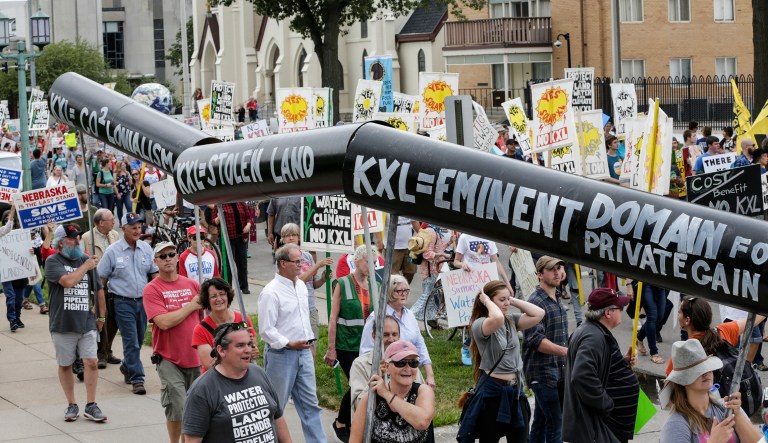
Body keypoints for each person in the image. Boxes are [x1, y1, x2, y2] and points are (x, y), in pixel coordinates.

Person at [457, 280, 545, 442]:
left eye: (507, 299)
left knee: (521, 438)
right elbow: (496, 318)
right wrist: (486, 301)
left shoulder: (511, 320)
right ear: (489, 301)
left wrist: (512, 300)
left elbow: (539, 314)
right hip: (492, 391)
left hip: (515, 390)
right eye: (502, 300)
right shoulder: (479, 324)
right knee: (489, 438)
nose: (506, 304)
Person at [258, 244, 326, 443]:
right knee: (275, 406)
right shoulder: (271, 292)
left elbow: (303, 320)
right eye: (297, 262)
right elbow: (266, 330)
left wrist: (308, 344)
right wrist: (288, 343)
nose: (301, 265)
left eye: (301, 261)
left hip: (304, 353)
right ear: (283, 263)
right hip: (281, 356)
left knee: (310, 404)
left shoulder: (301, 287)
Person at [182, 322, 293, 443]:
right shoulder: (202, 390)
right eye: (240, 346)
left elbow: (277, 418)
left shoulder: (259, 373)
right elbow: (193, 440)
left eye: (249, 344)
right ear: (221, 350)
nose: (248, 350)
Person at [143, 241, 205, 443]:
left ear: (178, 257)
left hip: (195, 356)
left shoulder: (193, 285)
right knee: (177, 408)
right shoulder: (152, 289)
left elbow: (203, 321)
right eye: (162, 256)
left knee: (196, 409)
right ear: (156, 262)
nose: (168, 259)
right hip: (169, 358)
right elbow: (163, 322)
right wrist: (190, 306)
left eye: (171, 254)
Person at [45, 224, 107, 422]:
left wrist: (101, 316)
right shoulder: (53, 261)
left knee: (91, 362)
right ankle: (72, 404)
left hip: (86, 321)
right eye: (73, 238)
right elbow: (68, 282)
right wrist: (86, 266)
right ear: (61, 242)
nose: (78, 240)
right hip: (63, 322)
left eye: (79, 236)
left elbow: (98, 289)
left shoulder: (85, 259)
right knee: (65, 364)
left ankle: (91, 404)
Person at [563, 288, 639, 443]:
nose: (622, 311)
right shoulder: (593, 337)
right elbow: (581, 376)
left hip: (599, 427)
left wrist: (621, 363)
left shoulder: (593, 331)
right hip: (595, 428)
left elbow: (597, 368)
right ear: (608, 313)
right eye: (620, 308)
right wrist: (607, 405)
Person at [97, 212, 159, 396]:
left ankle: (127, 366)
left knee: (139, 340)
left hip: (143, 302)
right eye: (133, 227)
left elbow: (154, 274)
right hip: (122, 302)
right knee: (131, 341)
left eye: (139, 227)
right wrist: (99, 304)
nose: (137, 230)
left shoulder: (146, 249)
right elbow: (101, 279)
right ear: (123, 229)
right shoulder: (112, 251)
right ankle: (137, 379)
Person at [659, 340, 761, 443]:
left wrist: (737, 414)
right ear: (682, 380)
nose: (706, 373)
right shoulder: (675, 425)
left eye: (706, 367)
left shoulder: (725, 407)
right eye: (697, 371)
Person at [326, 244, 376, 441]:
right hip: (346, 345)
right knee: (359, 383)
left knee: (362, 383)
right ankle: (341, 421)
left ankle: (348, 421)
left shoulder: (375, 285)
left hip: (367, 346)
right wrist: (331, 348)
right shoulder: (343, 282)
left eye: (373, 262)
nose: (370, 265)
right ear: (356, 261)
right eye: (367, 262)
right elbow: (333, 317)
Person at [350, 340, 436, 443]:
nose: (408, 368)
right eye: (400, 363)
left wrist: (386, 393)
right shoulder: (370, 399)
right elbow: (355, 440)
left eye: (413, 363)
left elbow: (422, 422)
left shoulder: (423, 391)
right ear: (386, 367)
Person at [360, 275, 435, 388]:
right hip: (386, 376)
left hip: (409, 372)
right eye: (399, 291)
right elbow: (366, 351)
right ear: (389, 293)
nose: (404, 293)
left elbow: (420, 345)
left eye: (406, 290)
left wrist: (430, 375)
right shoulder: (377, 317)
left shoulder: (409, 315)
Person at [523, 256, 568, 443]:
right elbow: (536, 340)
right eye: (552, 269)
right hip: (542, 373)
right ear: (540, 274)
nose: (557, 272)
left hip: (558, 371)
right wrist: (566, 352)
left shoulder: (557, 297)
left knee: (541, 422)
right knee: (556, 425)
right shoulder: (535, 302)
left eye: (559, 268)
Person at [454, 233, 512, 366]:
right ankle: (468, 346)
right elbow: (456, 261)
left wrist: (507, 284)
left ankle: (480, 345)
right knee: (477, 317)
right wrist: (462, 265)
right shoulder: (464, 237)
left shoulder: (489, 238)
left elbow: (496, 261)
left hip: (488, 282)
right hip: (471, 283)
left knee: (492, 314)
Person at [350, 315, 419, 417]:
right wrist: (376, 377)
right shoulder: (360, 364)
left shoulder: (410, 363)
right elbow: (357, 405)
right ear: (374, 335)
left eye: (395, 334)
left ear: (399, 336)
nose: (391, 339)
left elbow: (420, 397)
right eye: (385, 334)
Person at [279, 223, 333, 351]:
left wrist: (324, 279)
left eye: (294, 235)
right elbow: (299, 281)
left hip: (310, 307)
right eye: (287, 236)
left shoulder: (308, 256)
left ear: (299, 238)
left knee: (311, 347)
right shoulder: (282, 258)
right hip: (295, 309)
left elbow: (313, 284)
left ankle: (311, 371)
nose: (291, 238)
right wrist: (318, 265)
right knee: (298, 346)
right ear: (282, 239)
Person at [81, 208, 121, 369]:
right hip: (97, 282)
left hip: (114, 281)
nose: (114, 222)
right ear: (101, 223)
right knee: (101, 317)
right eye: (111, 219)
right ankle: (101, 353)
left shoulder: (115, 235)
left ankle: (108, 349)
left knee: (114, 318)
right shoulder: (86, 237)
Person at [191, 277, 256, 372]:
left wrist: (253, 351)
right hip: (216, 381)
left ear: (228, 296)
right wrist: (240, 356)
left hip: (241, 376)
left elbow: (252, 350)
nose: (219, 299)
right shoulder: (200, 329)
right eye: (213, 296)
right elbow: (210, 364)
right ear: (207, 300)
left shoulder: (243, 319)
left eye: (222, 294)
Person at [212, 202, 252, 293]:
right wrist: (218, 218)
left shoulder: (241, 203)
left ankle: (244, 286)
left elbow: (249, 217)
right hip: (226, 239)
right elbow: (213, 222)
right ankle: (226, 288)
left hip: (241, 237)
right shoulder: (219, 204)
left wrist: (248, 225)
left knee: (242, 264)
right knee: (227, 265)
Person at [629, 280, 669, 364]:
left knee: (659, 317)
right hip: (646, 283)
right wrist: (629, 285)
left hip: (661, 285)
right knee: (652, 316)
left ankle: (639, 337)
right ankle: (654, 352)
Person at [390, 218, 420, 284]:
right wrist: (379, 241)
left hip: (409, 245)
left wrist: (423, 235)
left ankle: (403, 288)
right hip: (393, 245)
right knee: (393, 273)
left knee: (412, 270)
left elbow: (414, 221)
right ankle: (395, 291)